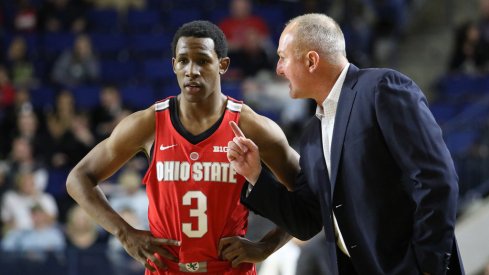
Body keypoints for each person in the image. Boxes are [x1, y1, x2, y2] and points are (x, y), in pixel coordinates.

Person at [227, 13, 465, 275]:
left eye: (283, 58)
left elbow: (436, 179)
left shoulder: (381, 88)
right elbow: (306, 220)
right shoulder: (312, 134)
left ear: (311, 60)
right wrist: (256, 174)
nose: (278, 69)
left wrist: (429, 265)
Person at [66, 20, 299, 274]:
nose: (191, 70)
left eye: (202, 61)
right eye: (183, 60)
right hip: (166, 269)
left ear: (222, 65)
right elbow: (78, 178)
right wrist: (124, 233)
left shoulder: (251, 126)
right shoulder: (148, 124)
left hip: (228, 269)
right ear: (173, 65)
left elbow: (308, 193)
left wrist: (266, 246)